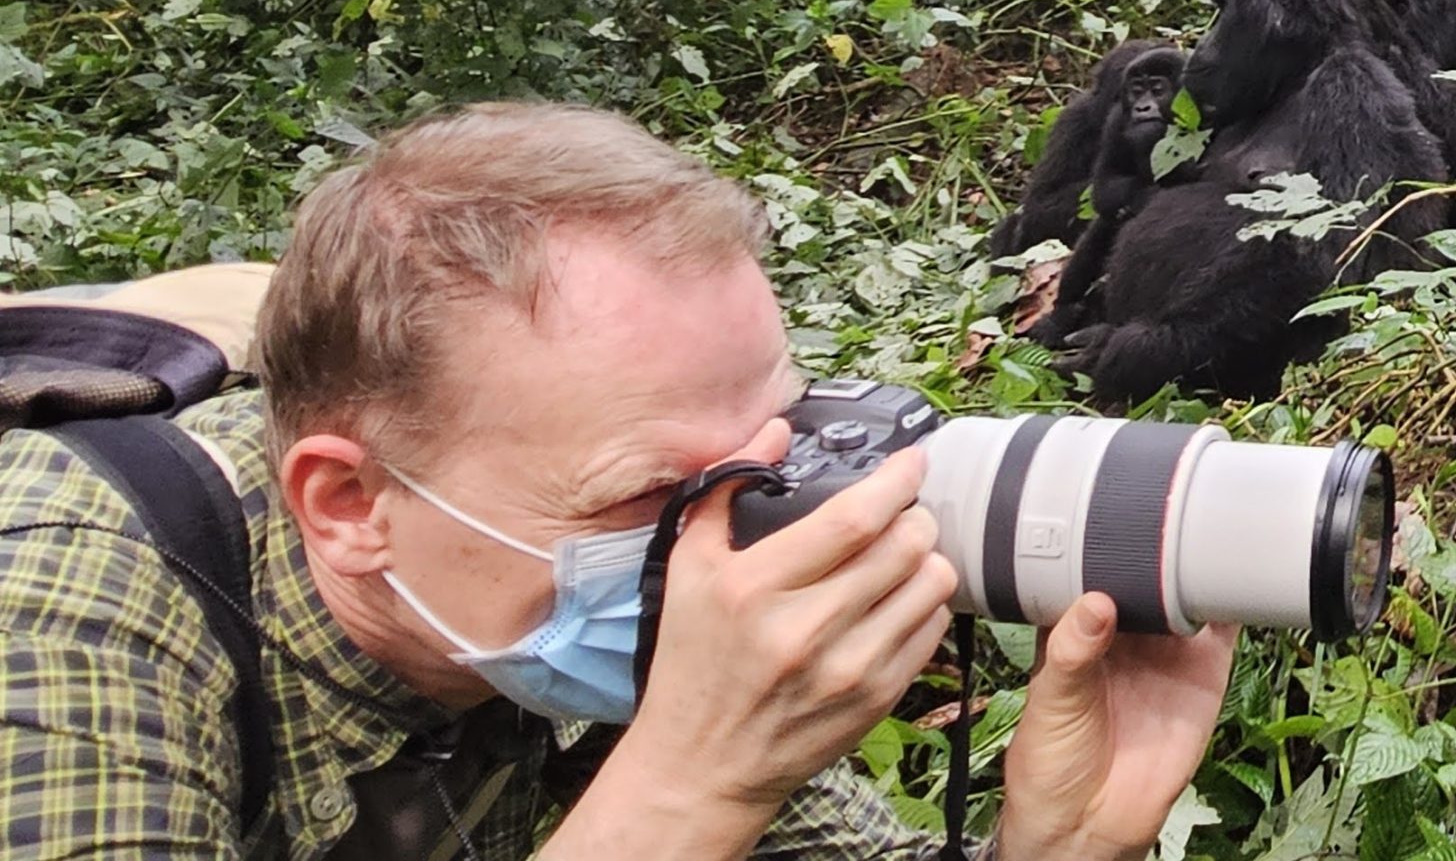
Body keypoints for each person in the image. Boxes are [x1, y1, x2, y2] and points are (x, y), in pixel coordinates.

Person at [0, 101, 1237, 859]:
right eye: (645, 497)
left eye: (770, 455)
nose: (727, 536)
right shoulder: (58, 597)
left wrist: (1053, 849)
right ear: (350, 505)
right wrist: (687, 786)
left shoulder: (544, 596)